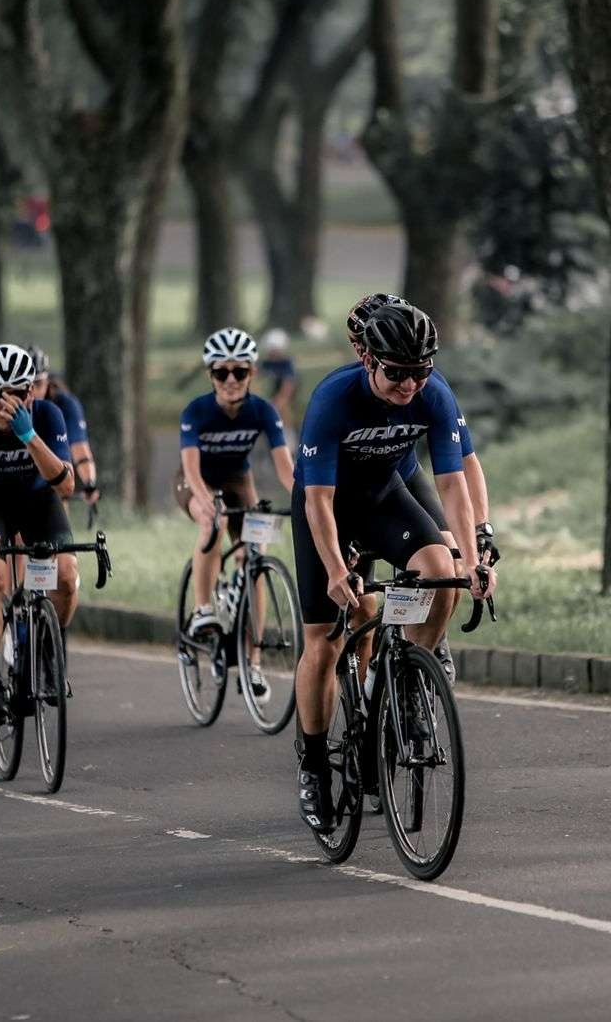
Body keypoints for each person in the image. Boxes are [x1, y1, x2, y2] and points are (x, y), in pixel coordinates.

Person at [290, 300, 495, 832]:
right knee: (325, 640)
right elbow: (317, 500)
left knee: (440, 568)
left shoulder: (434, 393)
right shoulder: (333, 399)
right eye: (398, 373)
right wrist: (336, 568)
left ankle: (405, 677)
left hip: (384, 494)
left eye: (420, 372)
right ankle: (314, 766)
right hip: (328, 505)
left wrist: (473, 561)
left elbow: (452, 483)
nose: (410, 385)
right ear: (367, 360)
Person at [337, 293, 501, 680]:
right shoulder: (351, 391)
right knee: (362, 608)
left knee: (451, 554)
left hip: (402, 478)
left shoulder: (429, 385)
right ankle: (365, 696)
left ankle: (422, 649)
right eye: (362, 343)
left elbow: (465, 461)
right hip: (349, 490)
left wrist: (481, 528)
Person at [0, 343, 80, 724]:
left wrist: (29, 436)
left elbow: (66, 487)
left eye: (20, 393)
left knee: (68, 577)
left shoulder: (49, 415)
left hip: (38, 502)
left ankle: (50, 653)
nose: (9, 404)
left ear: (31, 392)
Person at [176, 328, 296, 697]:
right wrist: (207, 501)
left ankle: (253, 663)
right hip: (194, 480)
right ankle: (201, 608)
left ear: (252, 373)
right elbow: (192, 471)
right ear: (210, 375)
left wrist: (311, 501)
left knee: (254, 558)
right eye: (221, 373)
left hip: (238, 479)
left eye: (239, 372)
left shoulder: (263, 411)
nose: (230, 380)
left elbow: (287, 470)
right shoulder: (196, 411)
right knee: (217, 520)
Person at [28, 346, 101, 505]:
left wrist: (89, 483)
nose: (31, 393)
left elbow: (79, 447)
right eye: (25, 385)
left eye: (38, 384)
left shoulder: (64, 405)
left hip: (51, 480)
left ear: (48, 382)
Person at [260, 327, 298, 432]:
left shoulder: (287, 364)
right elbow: (253, 379)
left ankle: (288, 437)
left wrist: (275, 404)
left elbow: (288, 388)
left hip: (285, 400)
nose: (271, 354)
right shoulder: (266, 363)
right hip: (271, 397)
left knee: (284, 408)